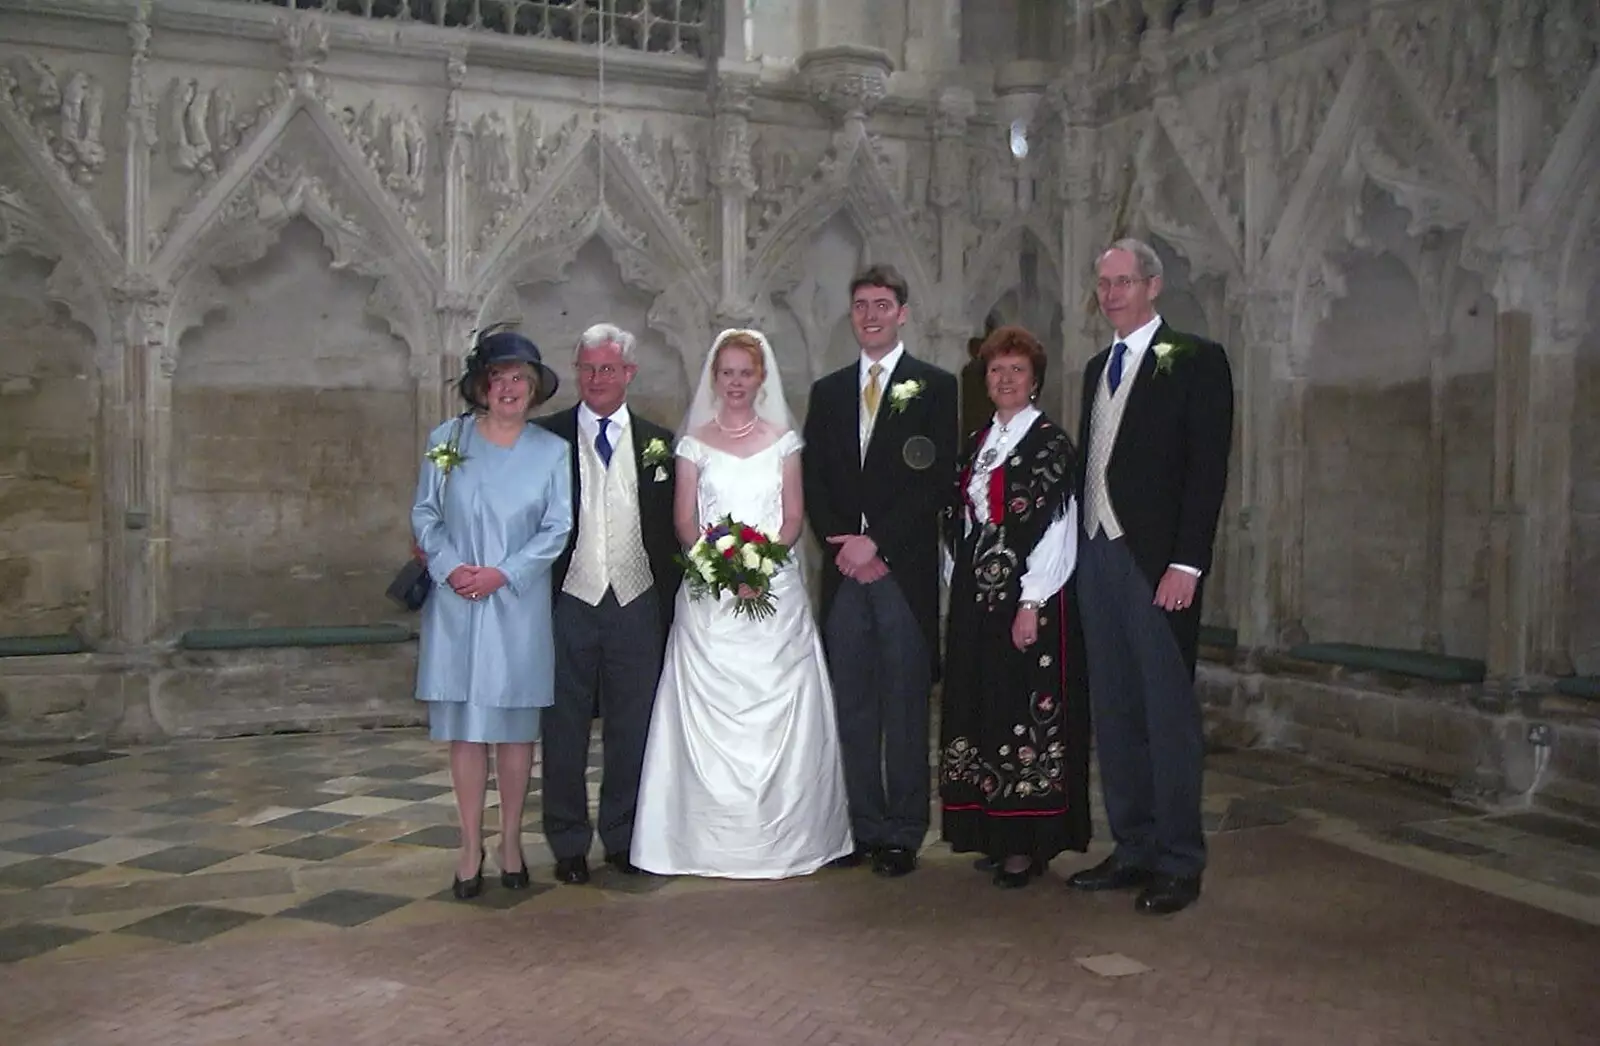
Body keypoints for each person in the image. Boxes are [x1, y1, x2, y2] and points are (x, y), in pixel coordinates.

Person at [630, 330, 854, 878]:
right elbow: (684, 519)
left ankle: (792, 837)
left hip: (772, 591)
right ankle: (696, 840)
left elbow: (794, 516)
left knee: (786, 702)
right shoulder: (693, 444)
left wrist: (760, 566)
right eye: (726, 373)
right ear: (715, 378)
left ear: (761, 379)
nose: (735, 383)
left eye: (744, 373)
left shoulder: (784, 442)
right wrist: (720, 568)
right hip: (710, 593)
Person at [1066, 238, 1234, 915]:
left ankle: (1179, 859)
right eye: (1103, 284)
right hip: (1097, 555)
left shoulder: (1195, 360)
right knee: (1115, 711)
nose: (1111, 295)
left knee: (1167, 717)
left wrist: (1187, 562)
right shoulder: (1095, 367)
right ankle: (1133, 845)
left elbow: (1206, 469)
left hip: (1157, 562)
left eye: (1123, 282)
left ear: (1154, 286)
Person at [801, 264, 958, 878]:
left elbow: (938, 477)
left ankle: (903, 829)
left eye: (883, 304)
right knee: (854, 703)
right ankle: (862, 825)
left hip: (902, 572)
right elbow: (814, 479)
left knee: (904, 702)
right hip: (844, 572)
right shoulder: (829, 390)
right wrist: (843, 545)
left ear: (903, 313)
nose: (871, 314)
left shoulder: (935, 387)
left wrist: (879, 545)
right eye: (861, 304)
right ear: (852, 314)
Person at [412, 327, 572, 900]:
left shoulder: (553, 453)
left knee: (513, 731)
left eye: (520, 380)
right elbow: (425, 514)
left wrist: (502, 573)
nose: (509, 388)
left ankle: (509, 840)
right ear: (482, 384)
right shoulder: (446, 440)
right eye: (500, 377)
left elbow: (558, 527)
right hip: (457, 602)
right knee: (464, 730)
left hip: (516, 603)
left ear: (534, 391)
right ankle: (468, 843)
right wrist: (453, 567)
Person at [939, 325, 1091, 888]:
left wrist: (1032, 600)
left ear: (1035, 381)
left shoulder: (1050, 444)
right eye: (997, 370)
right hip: (978, 598)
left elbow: (1057, 530)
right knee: (982, 709)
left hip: (1029, 597)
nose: (1005, 379)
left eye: (1016, 371)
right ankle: (992, 830)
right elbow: (962, 522)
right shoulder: (979, 442)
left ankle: (1028, 844)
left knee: (1020, 713)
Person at [536, 323, 681, 885]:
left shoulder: (659, 442)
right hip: (568, 598)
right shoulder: (545, 438)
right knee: (564, 726)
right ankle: (568, 842)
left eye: (608, 369)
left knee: (633, 726)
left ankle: (624, 836)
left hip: (636, 600)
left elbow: (674, 527)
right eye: (588, 368)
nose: (597, 379)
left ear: (629, 373)